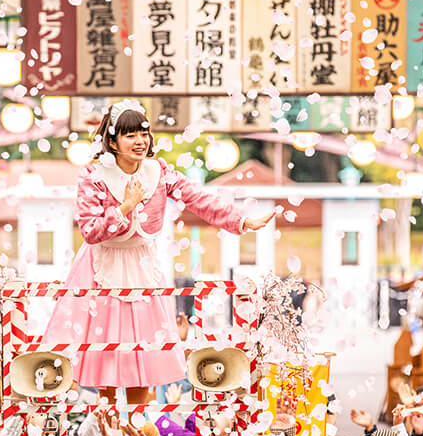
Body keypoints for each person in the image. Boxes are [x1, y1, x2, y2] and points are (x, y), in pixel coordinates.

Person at [41, 99, 275, 416]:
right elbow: (90, 231)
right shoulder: (94, 176)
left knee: (143, 357)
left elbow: (197, 198)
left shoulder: (159, 172)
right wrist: (126, 206)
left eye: (144, 134)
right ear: (112, 141)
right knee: (105, 356)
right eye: (130, 135)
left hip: (143, 268)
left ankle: (139, 433)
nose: (140, 141)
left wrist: (240, 221)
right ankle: (107, 431)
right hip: (101, 268)